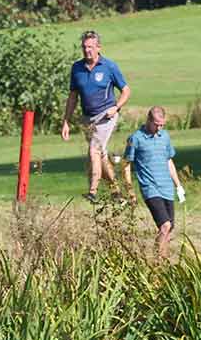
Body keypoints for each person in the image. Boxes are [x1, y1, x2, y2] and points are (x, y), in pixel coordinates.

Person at [61, 30, 131, 203]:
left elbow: (126, 91)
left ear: (98, 47)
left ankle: (92, 191)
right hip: (88, 118)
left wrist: (116, 107)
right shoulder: (77, 68)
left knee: (94, 150)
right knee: (101, 156)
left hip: (106, 115)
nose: (87, 51)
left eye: (90, 47)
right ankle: (116, 193)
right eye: (84, 47)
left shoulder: (109, 67)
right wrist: (66, 121)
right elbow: (72, 97)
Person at [123, 106, 185, 259]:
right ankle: (158, 261)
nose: (159, 128)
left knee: (169, 229)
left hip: (167, 188)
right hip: (150, 188)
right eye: (156, 124)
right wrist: (130, 190)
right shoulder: (135, 138)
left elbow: (169, 161)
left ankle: (160, 262)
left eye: (162, 124)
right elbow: (126, 165)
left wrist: (178, 186)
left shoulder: (165, 136)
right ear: (148, 120)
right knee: (165, 225)